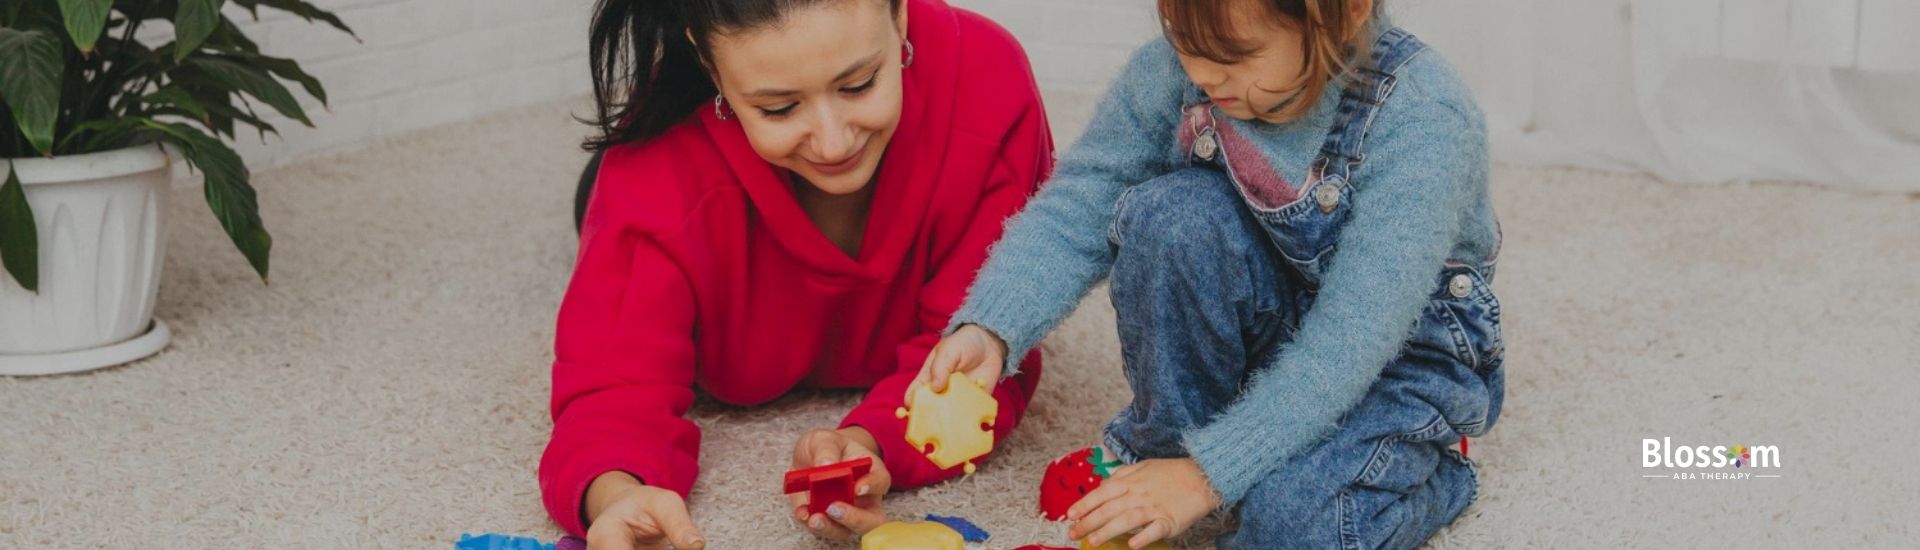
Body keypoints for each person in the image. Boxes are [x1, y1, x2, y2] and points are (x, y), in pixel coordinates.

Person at [915, 0, 1505, 548]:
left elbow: (1354, 336)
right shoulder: (1183, 69)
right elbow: (1086, 197)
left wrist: (1209, 475)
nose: (1202, 75)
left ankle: (1435, 465)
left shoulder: (1426, 118)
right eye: (1182, 40)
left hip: (1392, 360)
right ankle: (1162, 455)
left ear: (1344, 13)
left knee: (1291, 524)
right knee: (1169, 217)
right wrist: (992, 327)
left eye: (1234, 55)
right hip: (1272, 316)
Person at [543, 0, 1053, 547]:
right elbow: (613, 381)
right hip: (670, 182)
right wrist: (618, 493)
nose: (834, 143)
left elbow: (997, 337)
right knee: (607, 199)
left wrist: (871, 442)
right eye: (780, 108)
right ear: (710, 67)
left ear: (900, 14)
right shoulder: (657, 163)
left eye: (858, 85)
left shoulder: (988, 83)